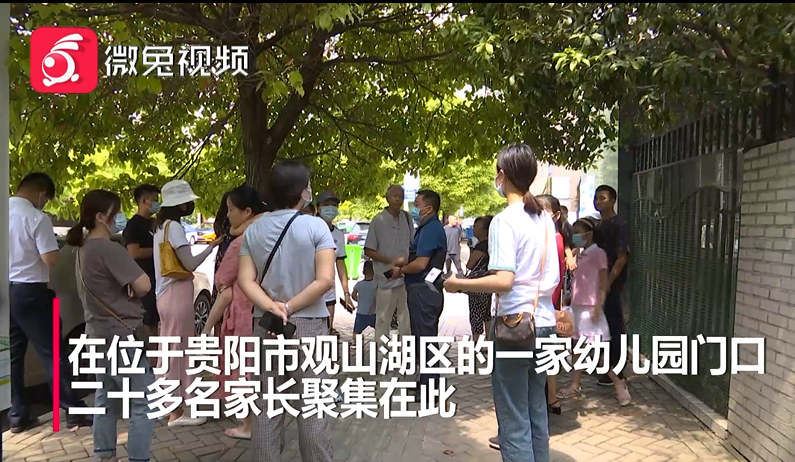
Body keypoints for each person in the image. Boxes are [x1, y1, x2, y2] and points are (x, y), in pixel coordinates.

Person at [444, 144, 558, 461]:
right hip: (545, 324)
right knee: (536, 409)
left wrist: (459, 284)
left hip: (514, 328)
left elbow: (504, 281)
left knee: (513, 417)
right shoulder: (545, 219)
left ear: (503, 175)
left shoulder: (504, 221)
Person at [238, 160, 336, 462]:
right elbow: (325, 280)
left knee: (267, 405)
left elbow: (245, 280)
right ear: (301, 190)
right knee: (313, 405)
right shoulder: (316, 226)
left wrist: (272, 306)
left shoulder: (254, 230)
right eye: (308, 185)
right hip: (309, 326)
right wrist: (290, 307)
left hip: (267, 324)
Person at [67, 189, 156, 462]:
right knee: (143, 402)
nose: (119, 217)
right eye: (115, 213)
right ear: (100, 217)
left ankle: (104, 454)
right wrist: (131, 286)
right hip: (122, 336)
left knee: (105, 399)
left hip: (96, 334)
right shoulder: (109, 248)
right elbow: (144, 285)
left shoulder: (82, 250)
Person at [8, 172, 91, 432]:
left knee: (13, 356)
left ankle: (17, 415)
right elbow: (50, 259)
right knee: (53, 352)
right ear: (42, 194)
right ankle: (73, 410)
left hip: (7, 292)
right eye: (45, 200)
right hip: (32, 290)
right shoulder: (36, 218)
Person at [153, 180, 224, 426]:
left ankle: (168, 404)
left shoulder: (160, 227)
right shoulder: (174, 228)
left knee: (169, 349)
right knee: (179, 351)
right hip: (177, 293)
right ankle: (176, 411)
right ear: (181, 204)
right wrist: (211, 246)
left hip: (164, 295)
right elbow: (190, 264)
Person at [203, 185, 268, 440]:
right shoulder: (270, 236)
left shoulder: (240, 244)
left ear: (247, 211)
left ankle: (247, 425)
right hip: (267, 314)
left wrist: (207, 327)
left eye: (231, 209)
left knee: (241, 370)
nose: (228, 215)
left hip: (241, 317)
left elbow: (224, 286)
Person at [557, 217, 631, 405]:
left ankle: (619, 384)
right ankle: (575, 385)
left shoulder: (598, 253)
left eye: (577, 232)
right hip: (579, 307)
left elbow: (603, 280)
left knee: (597, 352)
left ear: (588, 234)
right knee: (578, 349)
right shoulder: (582, 254)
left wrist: (599, 305)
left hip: (591, 308)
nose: (575, 236)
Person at [388, 189, 446, 396]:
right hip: (423, 289)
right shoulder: (427, 228)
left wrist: (400, 271)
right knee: (422, 339)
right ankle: (425, 382)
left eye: (417, 204)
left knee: (426, 340)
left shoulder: (431, 229)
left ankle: (430, 388)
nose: (414, 208)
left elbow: (421, 264)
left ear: (428, 209)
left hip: (424, 290)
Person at [364, 185, 414, 346]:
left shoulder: (407, 218)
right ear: (387, 198)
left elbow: (412, 244)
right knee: (383, 318)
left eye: (401, 196)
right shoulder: (378, 221)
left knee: (405, 318)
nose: (398, 199)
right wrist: (391, 261)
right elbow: (369, 250)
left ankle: (406, 350)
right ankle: (381, 352)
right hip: (385, 277)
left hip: (404, 276)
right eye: (394, 196)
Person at [592, 185, 630, 386]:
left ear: (613, 201)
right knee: (599, 325)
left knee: (614, 326)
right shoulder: (597, 226)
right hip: (596, 282)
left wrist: (609, 281)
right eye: (596, 198)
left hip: (612, 284)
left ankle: (616, 370)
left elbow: (621, 257)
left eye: (603, 198)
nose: (598, 201)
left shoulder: (619, 224)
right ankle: (604, 366)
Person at [123, 184, 161, 339]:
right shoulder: (134, 225)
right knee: (148, 324)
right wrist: (159, 251)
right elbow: (134, 252)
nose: (157, 203)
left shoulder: (155, 223)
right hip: (144, 280)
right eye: (154, 200)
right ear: (145, 201)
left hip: (158, 279)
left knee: (157, 321)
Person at [316, 190, 352, 336]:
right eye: (326, 205)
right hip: (308, 290)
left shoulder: (338, 234)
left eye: (334, 205)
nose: (330, 208)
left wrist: (346, 292)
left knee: (327, 329)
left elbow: (341, 264)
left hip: (329, 292)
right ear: (318, 208)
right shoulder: (309, 229)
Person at [464, 215, 493, 341]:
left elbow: (470, 265)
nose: (474, 229)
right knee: (486, 314)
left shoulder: (481, 246)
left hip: (477, 284)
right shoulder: (491, 244)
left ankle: (475, 342)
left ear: (486, 230)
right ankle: (489, 339)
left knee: (475, 315)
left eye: (477, 227)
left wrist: (472, 250)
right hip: (488, 283)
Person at [351, 261, 377, 335]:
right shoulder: (376, 284)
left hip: (361, 313)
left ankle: (358, 341)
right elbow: (378, 296)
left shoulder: (359, 284)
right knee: (380, 331)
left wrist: (360, 300)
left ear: (363, 272)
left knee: (356, 333)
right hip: (374, 313)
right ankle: (385, 341)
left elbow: (353, 295)